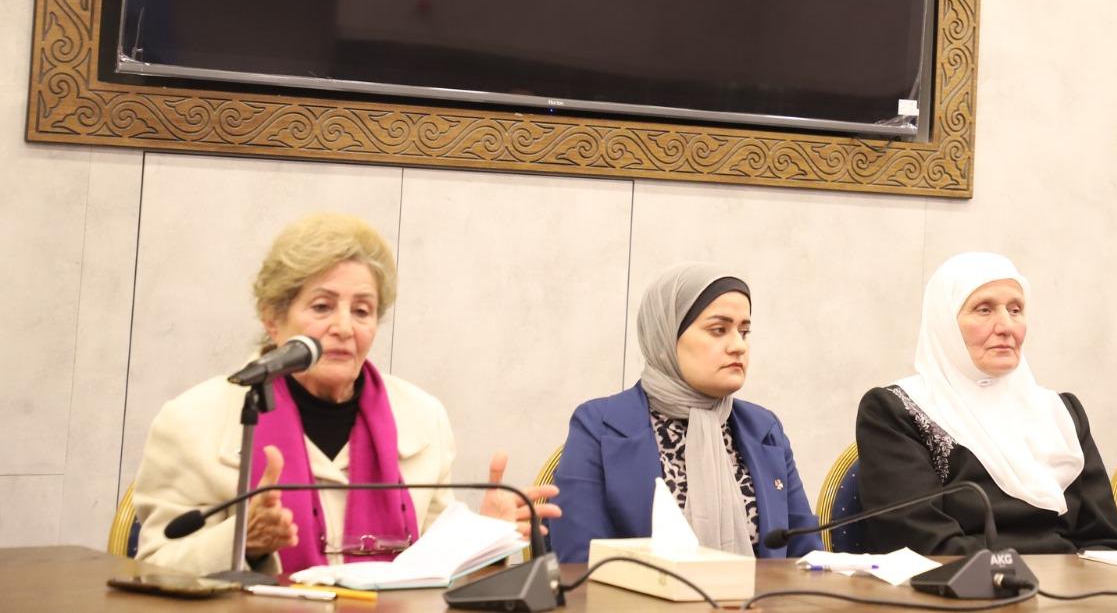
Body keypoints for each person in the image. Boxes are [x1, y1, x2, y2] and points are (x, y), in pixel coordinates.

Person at [131, 213, 559, 574]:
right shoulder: (192, 420)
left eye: (362, 311)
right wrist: (243, 540)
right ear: (272, 318)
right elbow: (153, 569)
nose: (344, 327)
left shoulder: (422, 416)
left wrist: (482, 540)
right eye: (322, 307)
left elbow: (430, 574)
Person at [854, 252, 1117, 555]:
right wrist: (1017, 577)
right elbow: (922, 542)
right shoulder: (899, 410)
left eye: (1015, 310)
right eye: (984, 310)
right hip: (963, 581)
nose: (1006, 327)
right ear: (945, 323)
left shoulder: (1060, 413)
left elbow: (1106, 542)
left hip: (1068, 583)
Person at [550, 264, 821, 562]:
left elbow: (808, 557)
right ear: (665, 337)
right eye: (718, 330)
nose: (738, 346)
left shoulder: (764, 429)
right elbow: (579, 559)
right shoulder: (599, 426)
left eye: (744, 331)